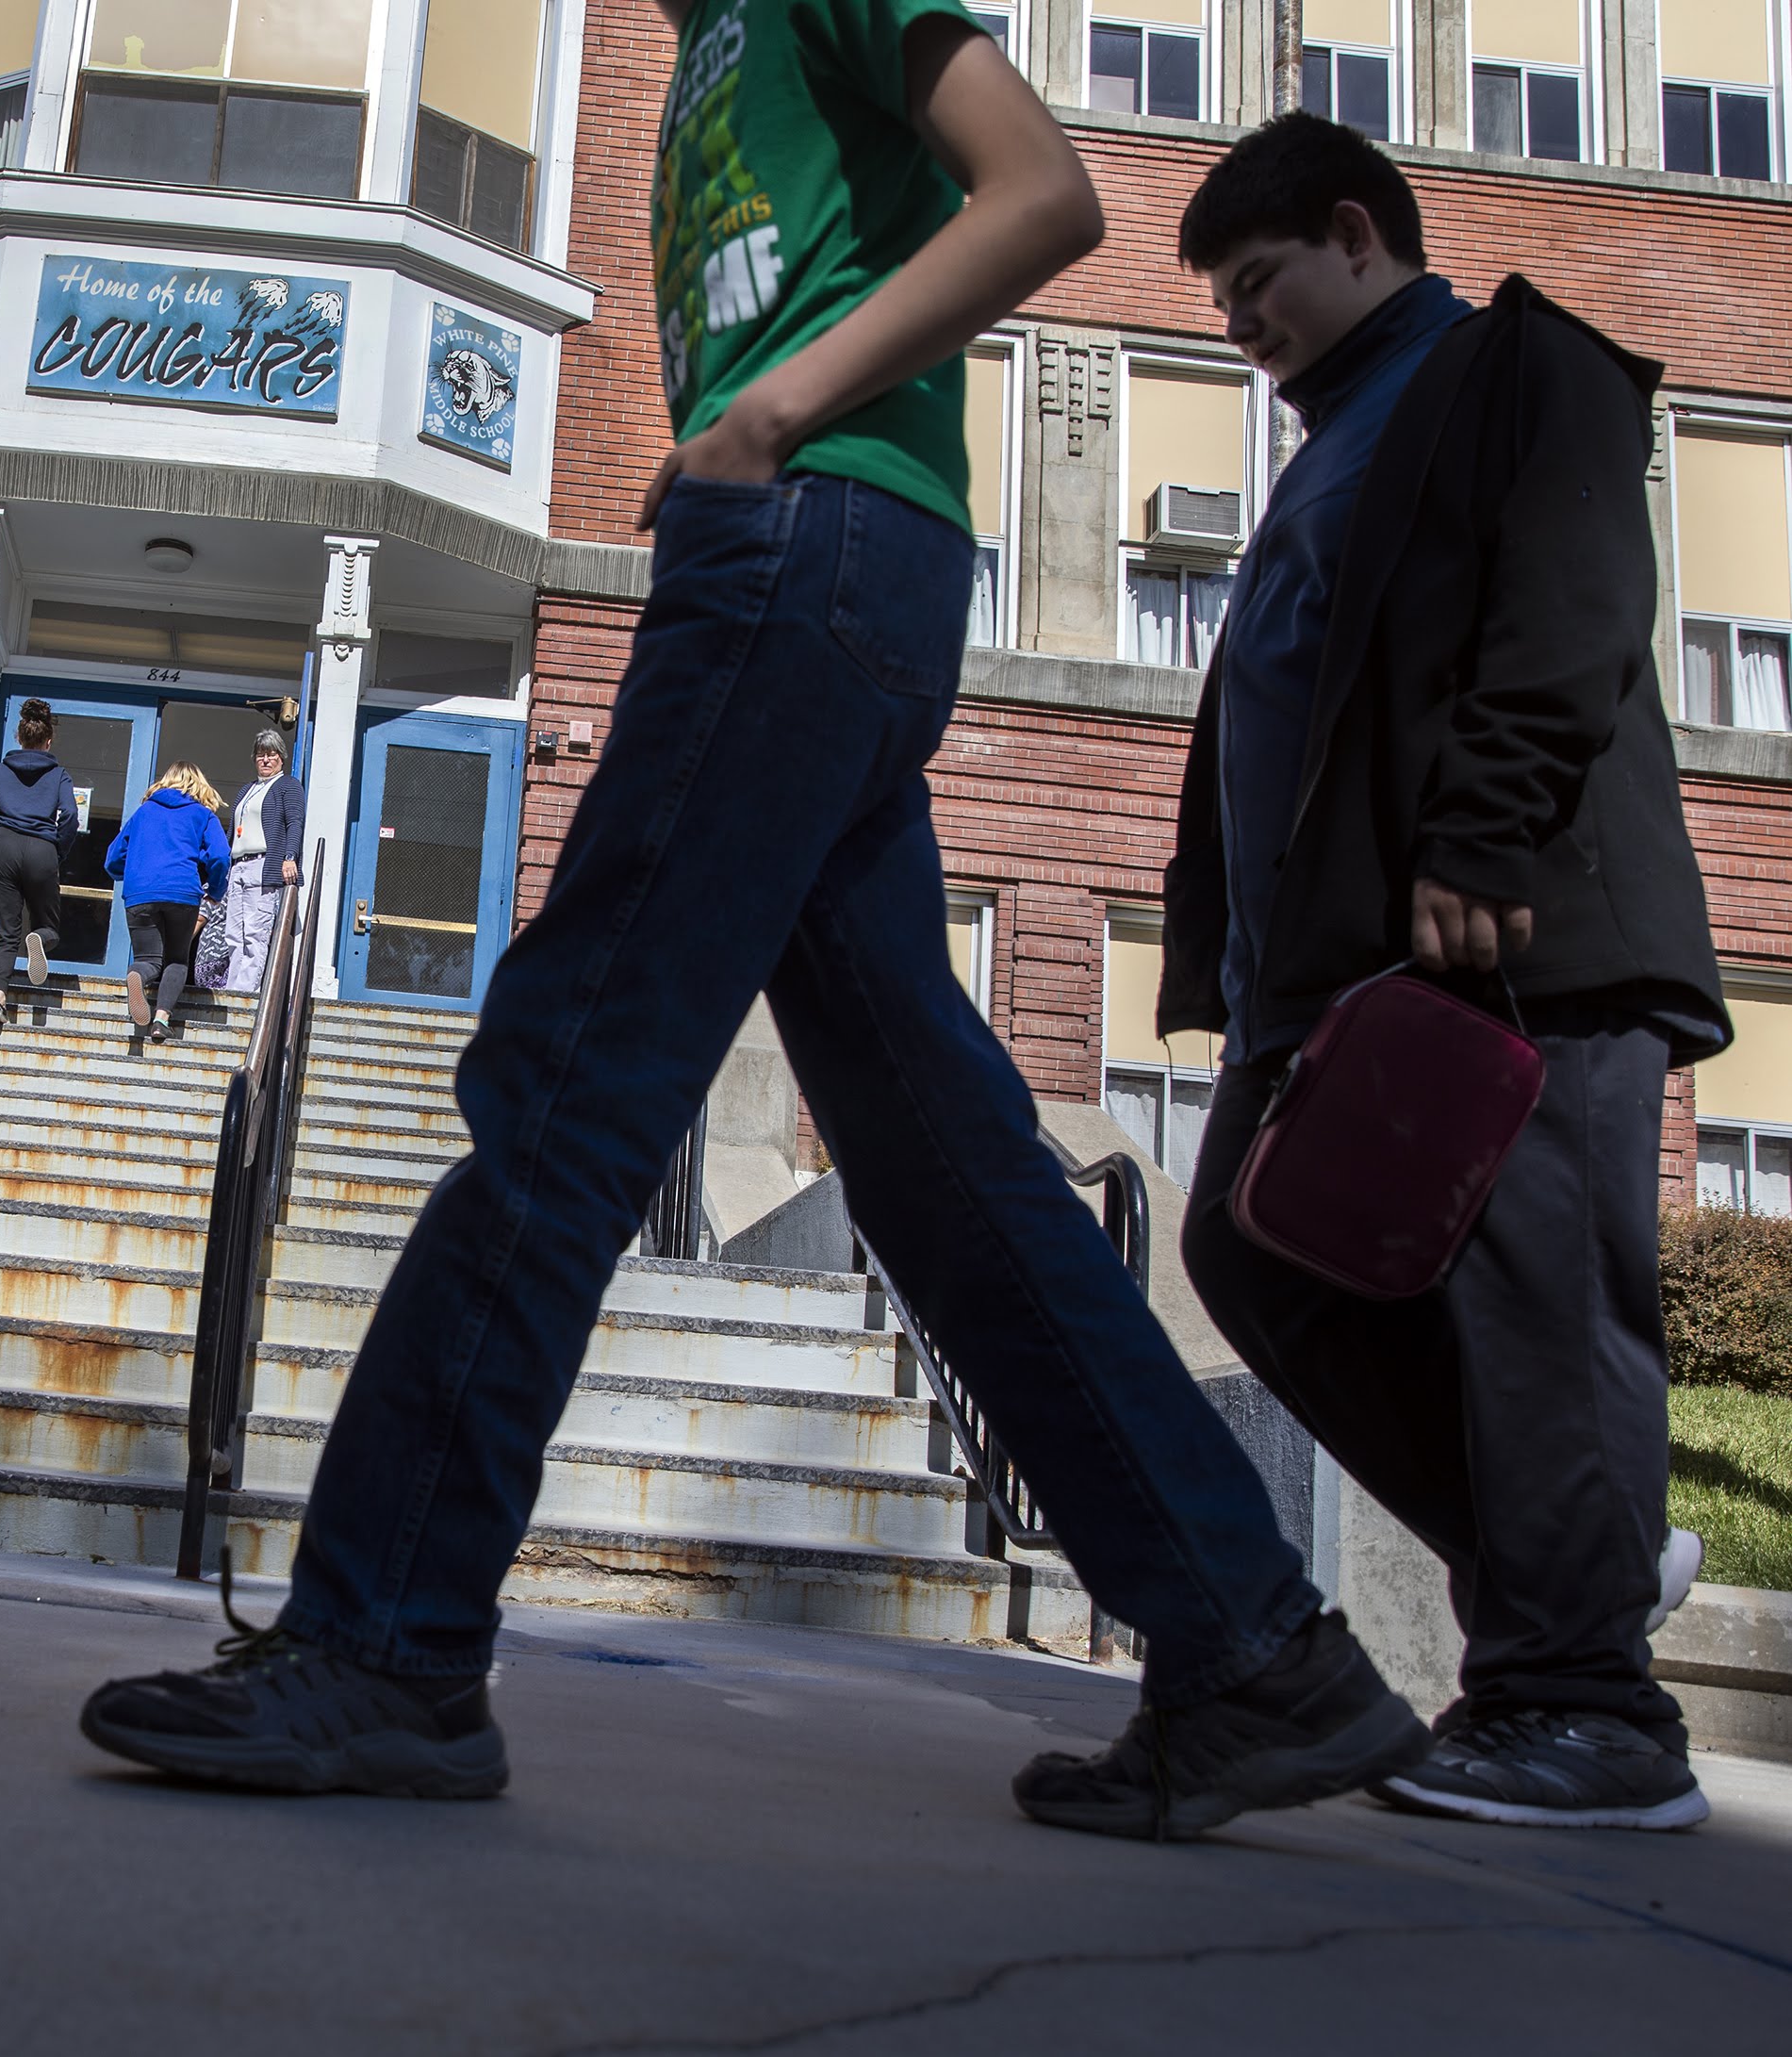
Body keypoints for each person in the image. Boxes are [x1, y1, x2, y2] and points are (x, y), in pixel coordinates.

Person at [76, 0, 1429, 1842]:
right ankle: (1250, 1639)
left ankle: (387, 1635)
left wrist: (770, 416)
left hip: (810, 542)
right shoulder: (710, 42)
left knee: (571, 1069)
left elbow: (1043, 195)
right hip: (809, 557)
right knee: (938, 1156)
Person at [1159, 116, 1727, 1833]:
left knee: (1537, 1311)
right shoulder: (1324, 446)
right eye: (1225, 307)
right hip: (1333, 980)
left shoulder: (1506, 370)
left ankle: (1587, 1710)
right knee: (1245, 1246)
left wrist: (1480, 839)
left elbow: (1572, 604)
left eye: (1257, 288)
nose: (1239, 330)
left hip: (1509, 943)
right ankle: (1581, 1568)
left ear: (1356, 233)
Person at [101, 764, 229, 1046]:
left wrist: (136, 873)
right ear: (200, 785)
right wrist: (216, 890)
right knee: (176, 959)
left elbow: (112, 859)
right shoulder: (203, 815)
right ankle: (161, 1020)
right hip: (182, 893)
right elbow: (220, 856)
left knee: (148, 958)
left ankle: (136, 975)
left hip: (140, 893)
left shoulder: (144, 811)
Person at [0, 699, 79, 1028]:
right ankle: (40, 940)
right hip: (43, 849)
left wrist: (1, 831)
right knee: (47, 924)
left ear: (19, 738)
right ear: (48, 741)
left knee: (5, 934)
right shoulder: (59, 775)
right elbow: (71, 816)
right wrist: (57, 848)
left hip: (4, 848)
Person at [212, 730, 304, 996]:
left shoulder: (288, 785)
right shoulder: (247, 789)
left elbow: (295, 823)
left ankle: (245, 992)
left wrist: (290, 857)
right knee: (234, 933)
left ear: (281, 758)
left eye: (271, 754)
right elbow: (234, 830)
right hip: (239, 866)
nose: (265, 760)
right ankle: (232, 989)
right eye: (261, 755)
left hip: (264, 866)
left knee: (255, 933)